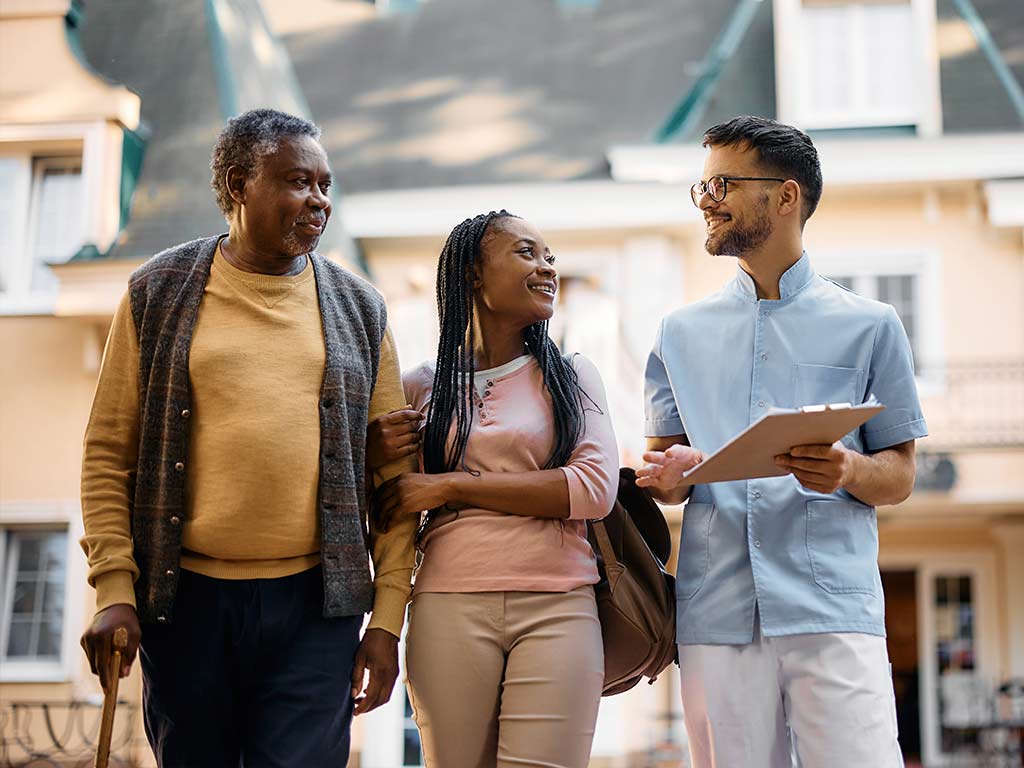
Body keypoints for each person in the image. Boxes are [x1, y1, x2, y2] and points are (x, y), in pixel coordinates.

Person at [78, 108, 417, 767]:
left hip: (317, 606)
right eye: (298, 181)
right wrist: (114, 591)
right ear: (239, 183)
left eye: (325, 185)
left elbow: (394, 479)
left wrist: (387, 618)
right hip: (187, 604)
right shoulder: (157, 291)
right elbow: (108, 454)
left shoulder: (361, 307)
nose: (318, 201)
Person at [637, 115, 927, 767]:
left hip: (832, 608)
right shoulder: (677, 333)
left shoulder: (873, 326)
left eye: (723, 183)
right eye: (701, 186)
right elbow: (661, 471)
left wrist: (847, 469)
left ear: (786, 196)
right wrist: (673, 475)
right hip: (717, 610)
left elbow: (901, 475)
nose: (706, 199)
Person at [370, 211, 618, 768]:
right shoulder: (419, 387)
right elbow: (390, 507)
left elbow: (593, 489)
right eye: (527, 252)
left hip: (559, 606)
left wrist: (450, 486)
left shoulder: (573, 376)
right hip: (446, 604)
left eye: (550, 256)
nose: (547, 267)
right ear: (472, 275)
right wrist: (372, 454)